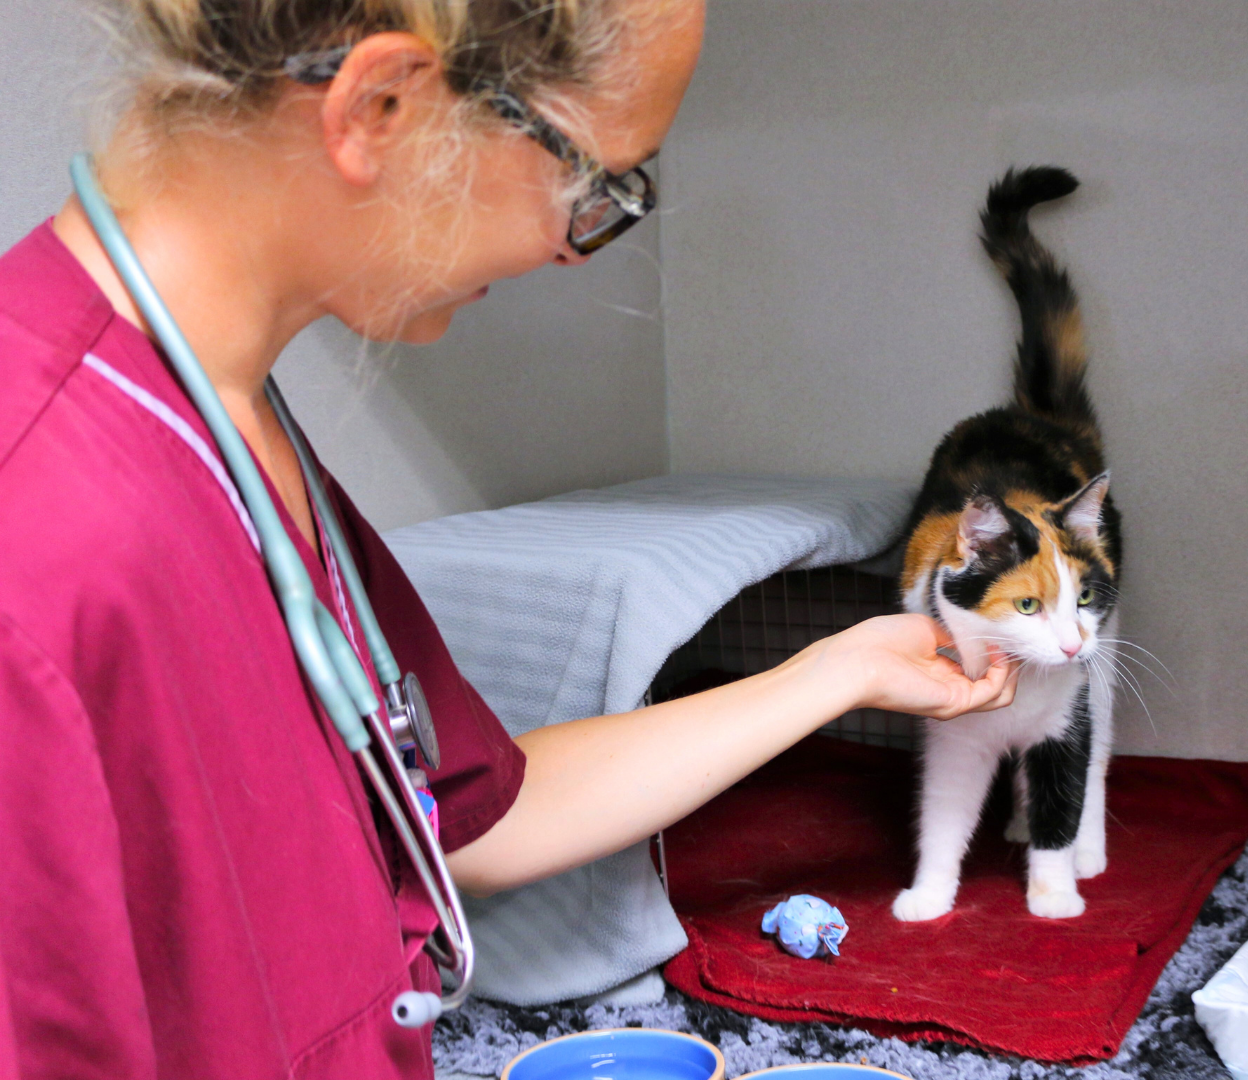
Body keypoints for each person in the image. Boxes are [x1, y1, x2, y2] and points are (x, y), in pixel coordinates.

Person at [0, 1, 1015, 1076]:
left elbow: (466, 822)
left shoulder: (229, 420)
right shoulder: (40, 521)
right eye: (594, 184)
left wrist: (840, 668)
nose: (578, 248)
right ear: (380, 109)